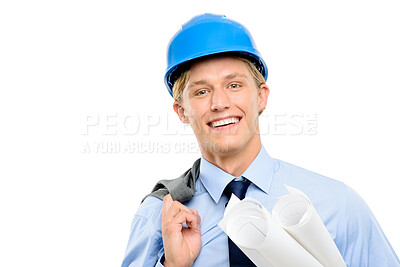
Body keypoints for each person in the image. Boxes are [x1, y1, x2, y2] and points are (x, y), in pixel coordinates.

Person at [121, 13, 399, 267]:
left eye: (234, 85)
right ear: (182, 111)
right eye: (202, 91)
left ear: (261, 96)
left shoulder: (338, 205)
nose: (219, 103)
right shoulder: (158, 217)